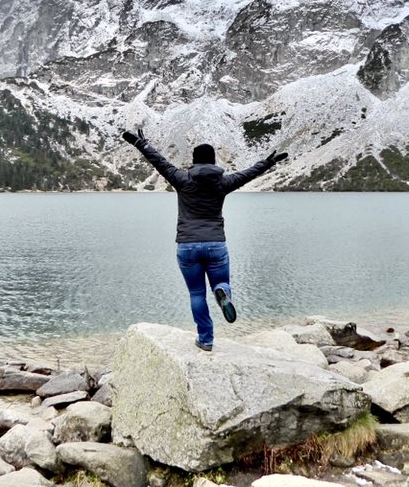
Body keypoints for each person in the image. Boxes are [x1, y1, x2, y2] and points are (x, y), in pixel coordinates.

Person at [121, 129, 288, 351]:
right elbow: (249, 174)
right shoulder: (223, 182)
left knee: (197, 293)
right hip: (216, 244)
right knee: (221, 282)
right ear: (213, 161)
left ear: (193, 161)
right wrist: (267, 163)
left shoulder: (181, 179)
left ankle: (206, 339)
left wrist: (141, 144)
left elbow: (159, 162)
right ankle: (222, 292)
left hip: (187, 246)